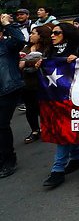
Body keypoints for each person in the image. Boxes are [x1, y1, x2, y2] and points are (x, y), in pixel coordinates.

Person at [42, 22, 79, 187]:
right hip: (56, 99)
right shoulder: (50, 51)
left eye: (57, 33)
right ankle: (77, 157)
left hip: (77, 97)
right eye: (52, 33)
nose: (52, 35)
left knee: (65, 130)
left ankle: (57, 170)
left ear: (66, 35)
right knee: (65, 129)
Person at [0, 13, 27, 178]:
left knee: (2, 126)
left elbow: (20, 40)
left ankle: (8, 160)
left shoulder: (6, 45)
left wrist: (7, 24)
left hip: (7, 89)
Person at [18, 25, 53, 145]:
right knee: (30, 108)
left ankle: (47, 128)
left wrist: (26, 62)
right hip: (27, 83)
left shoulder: (48, 48)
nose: (31, 35)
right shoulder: (26, 48)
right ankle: (35, 130)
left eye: (34, 33)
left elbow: (45, 61)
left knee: (43, 107)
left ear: (41, 35)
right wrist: (31, 62)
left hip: (42, 83)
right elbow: (20, 64)